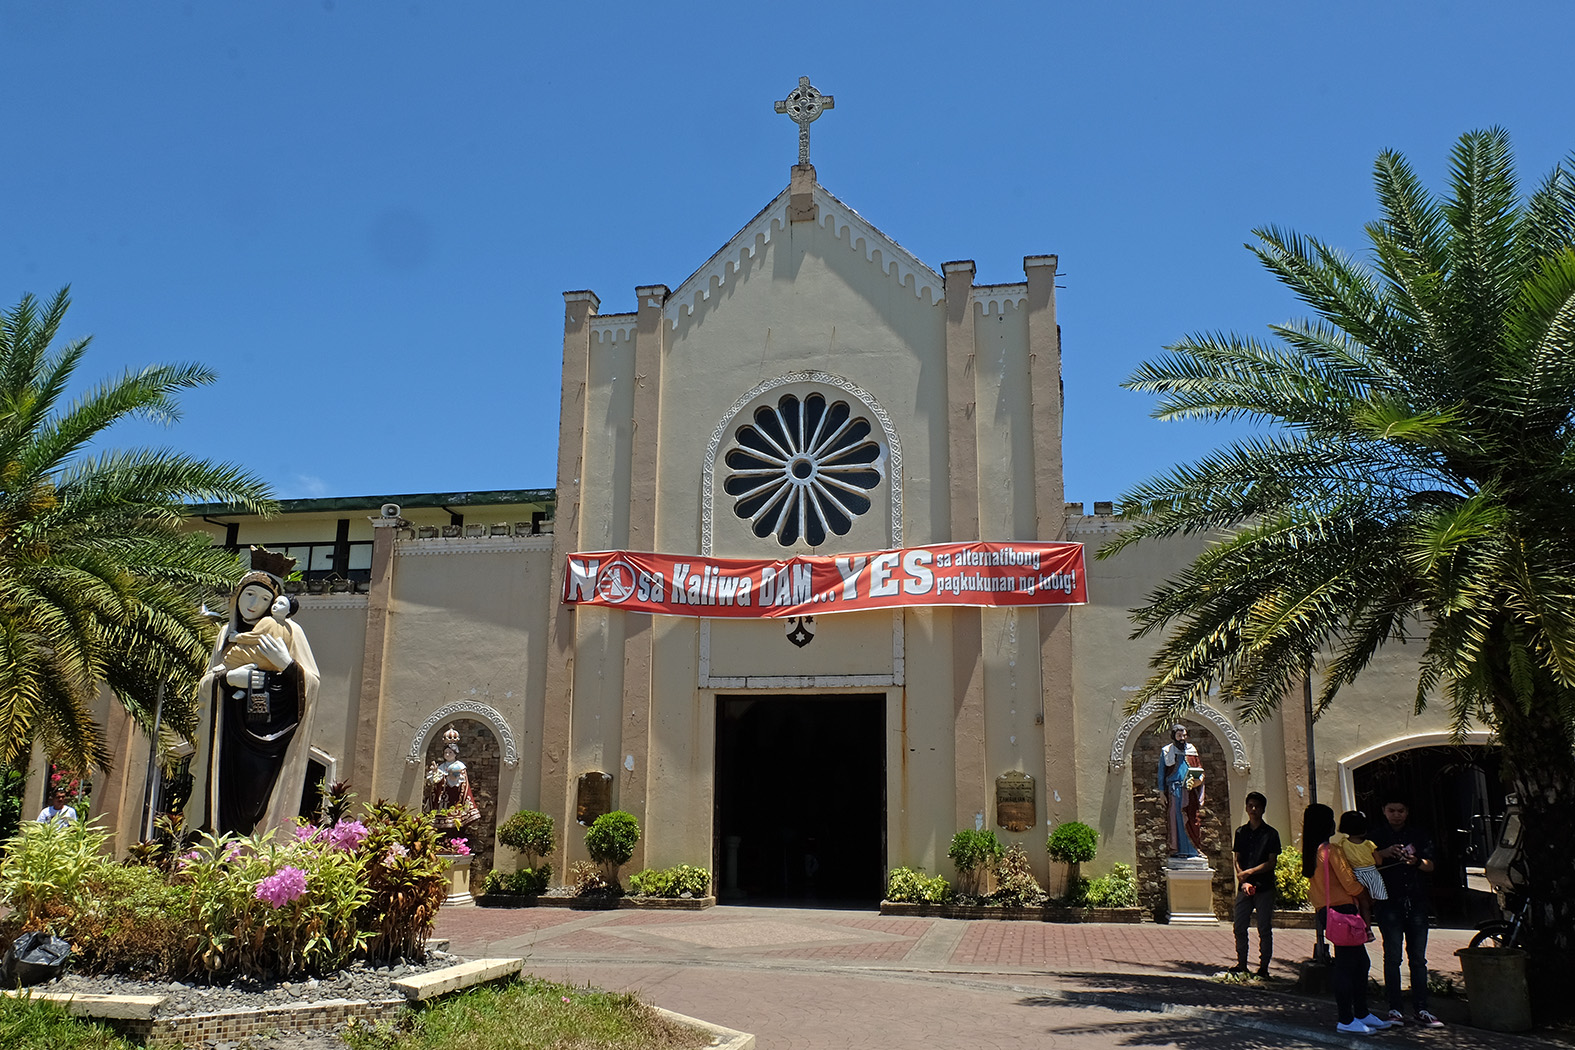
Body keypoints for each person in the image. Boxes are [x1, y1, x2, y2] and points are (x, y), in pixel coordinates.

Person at [192, 564, 321, 838]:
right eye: (249, 595)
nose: (253, 604)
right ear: (236, 597)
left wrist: (286, 665)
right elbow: (207, 682)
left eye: (264, 599)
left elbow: (312, 684)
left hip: (269, 737)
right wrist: (228, 679)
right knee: (221, 798)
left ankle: (251, 853)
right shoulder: (227, 633)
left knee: (254, 806)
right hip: (226, 735)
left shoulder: (289, 631)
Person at [1304, 804, 1393, 1035]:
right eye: (1331, 819)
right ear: (1326, 824)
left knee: (1359, 962)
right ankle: (1346, 1018)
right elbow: (1349, 882)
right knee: (1347, 965)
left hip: (1327, 910)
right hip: (1343, 909)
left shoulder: (1310, 851)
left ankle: (1361, 1013)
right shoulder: (1330, 850)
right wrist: (1366, 890)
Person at [1371, 796, 1444, 1027]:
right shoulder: (1376, 837)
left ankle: (1421, 1008)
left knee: (1418, 959)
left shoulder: (1419, 835)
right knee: (1392, 958)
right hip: (1388, 904)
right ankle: (1395, 1008)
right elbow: (1365, 863)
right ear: (1384, 810)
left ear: (1407, 812)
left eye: (1401, 810)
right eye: (1392, 810)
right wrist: (1384, 852)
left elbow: (1431, 865)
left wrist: (1416, 861)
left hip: (1417, 903)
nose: (1396, 814)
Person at [1231, 791, 1281, 976]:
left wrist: (1250, 873)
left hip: (1264, 887)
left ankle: (1263, 967)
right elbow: (1237, 858)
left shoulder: (1271, 834)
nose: (1253, 809)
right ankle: (1241, 964)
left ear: (1262, 809)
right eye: (1250, 805)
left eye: (1257, 806)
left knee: (1264, 928)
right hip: (1244, 888)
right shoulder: (1240, 832)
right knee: (1239, 926)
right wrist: (1242, 878)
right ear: (1246, 807)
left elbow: (1271, 862)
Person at [1332, 810, 1385, 930]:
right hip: (1372, 874)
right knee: (1377, 904)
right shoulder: (1369, 844)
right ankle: (1373, 927)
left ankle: (1365, 929)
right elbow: (1379, 862)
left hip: (1355, 875)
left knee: (1362, 905)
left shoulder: (1343, 844)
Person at [1158, 725, 1205, 857]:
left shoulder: (1192, 750)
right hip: (1174, 790)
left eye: (1184, 736)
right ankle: (1176, 848)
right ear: (1174, 736)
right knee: (1176, 817)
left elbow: (1199, 770)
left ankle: (1194, 848)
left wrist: (1197, 781)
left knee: (1192, 817)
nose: (1182, 739)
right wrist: (1162, 792)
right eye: (1179, 736)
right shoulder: (1167, 751)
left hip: (1189, 790)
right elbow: (1161, 773)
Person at [425, 727, 480, 831]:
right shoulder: (441, 767)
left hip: (454, 800)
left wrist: (452, 777)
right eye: (446, 752)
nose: (447, 755)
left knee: (455, 828)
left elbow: (458, 784)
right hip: (442, 802)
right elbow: (434, 783)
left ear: (455, 753)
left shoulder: (459, 766)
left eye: (450, 752)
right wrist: (435, 773)